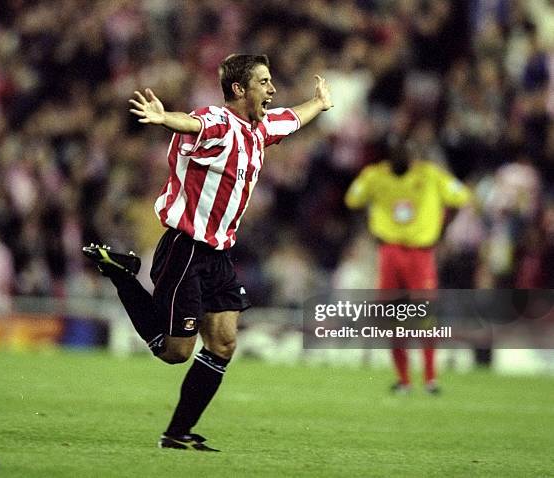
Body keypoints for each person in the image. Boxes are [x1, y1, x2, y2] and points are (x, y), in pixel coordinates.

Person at [83, 54, 332, 451]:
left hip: (217, 255)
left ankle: (177, 434)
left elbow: (293, 117)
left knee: (223, 344)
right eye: (264, 82)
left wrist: (319, 103)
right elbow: (193, 122)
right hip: (185, 249)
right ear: (239, 89)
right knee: (175, 352)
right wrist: (165, 119)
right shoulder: (218, 122)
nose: (272, 89)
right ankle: (123, 277)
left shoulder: (260, 128)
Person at [345, 138, 470, 394]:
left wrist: (442, 229)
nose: (404, 157)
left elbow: (460, 198)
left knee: (425, 315)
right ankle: (404, 379)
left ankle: (430, 378)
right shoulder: (374, 176)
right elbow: (353, 202)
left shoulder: (430, 174)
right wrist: (373, 228)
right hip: (390, 251)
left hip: (420, 253)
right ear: (391, 156)